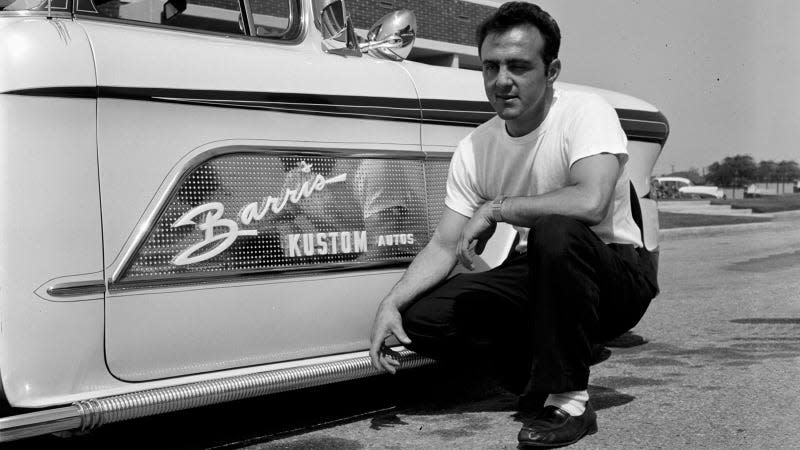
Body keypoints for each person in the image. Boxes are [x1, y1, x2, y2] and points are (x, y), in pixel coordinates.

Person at [368, 2, 658, 448]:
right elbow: (446, 245)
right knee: (424, 318)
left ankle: (571, 402)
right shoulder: (476, 145)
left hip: (615, 278)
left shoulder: (585, 112)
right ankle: (543, 366)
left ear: (552, 70)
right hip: (544, 272)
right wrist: (390, 303)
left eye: (519, 66)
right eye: (491, 67)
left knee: (555, 229)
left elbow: (591, 202)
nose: (502, 81)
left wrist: (497, 208)